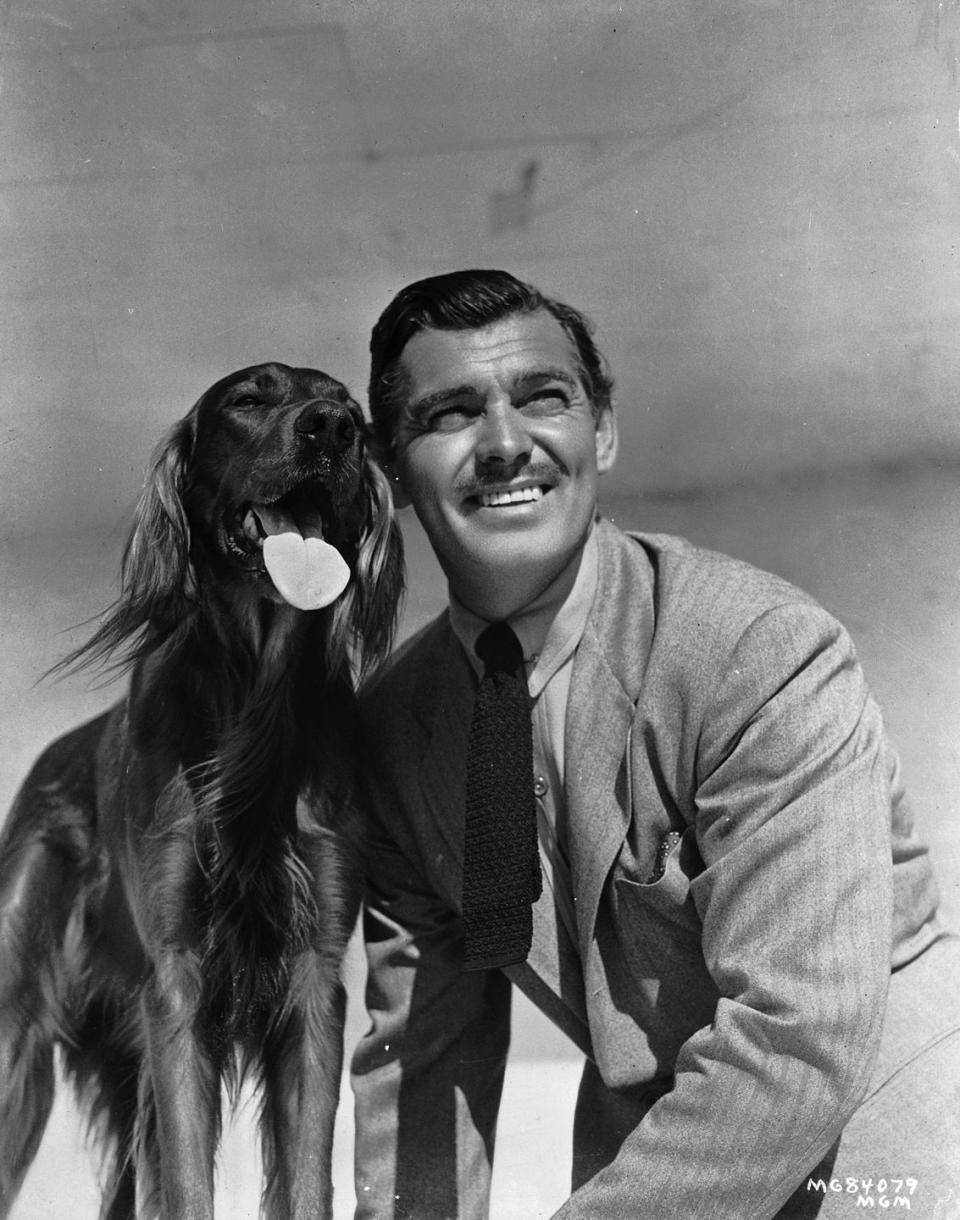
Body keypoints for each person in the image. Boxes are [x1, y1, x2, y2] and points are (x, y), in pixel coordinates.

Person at [350, 268, 960, 1219]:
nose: (506, 445)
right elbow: (421, 1062)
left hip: (888, 1122)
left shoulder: (753, 647)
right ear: (391, 469)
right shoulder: (393, 728)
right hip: (658, 1131)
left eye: (542, 398)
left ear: (602, 428)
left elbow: (802, 1036)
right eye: (452, 414)